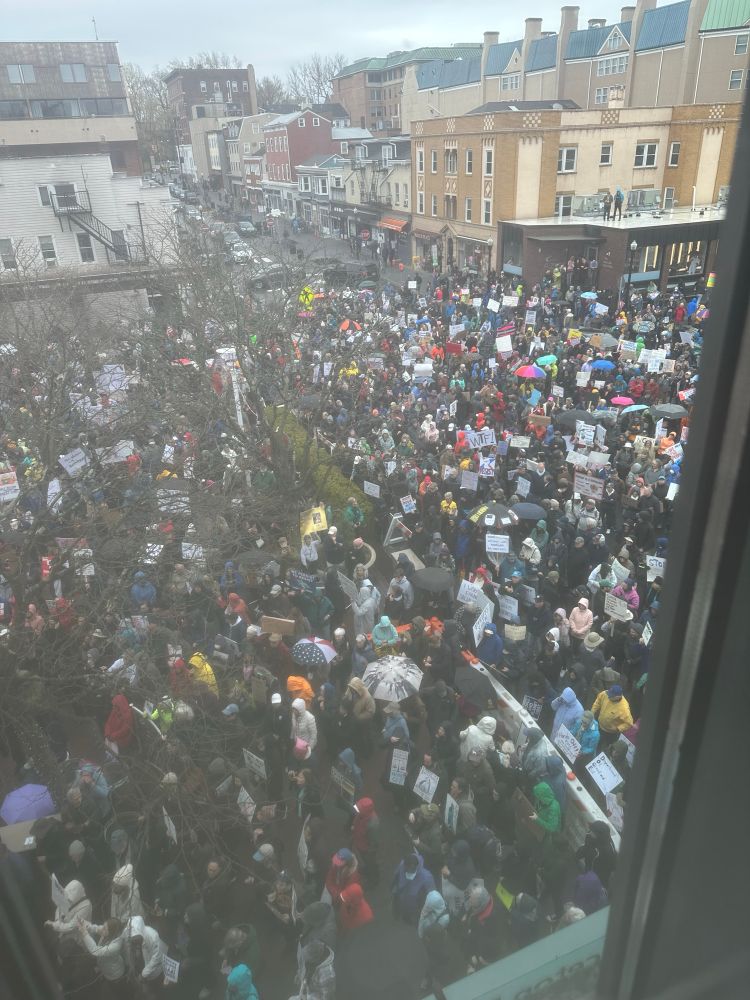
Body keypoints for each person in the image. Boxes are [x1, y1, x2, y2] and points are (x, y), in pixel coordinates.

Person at [462, 885, 503, 973]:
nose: (471, 905)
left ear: (481, 905)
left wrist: (478, 957)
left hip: (486, 956)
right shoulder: (483, 904)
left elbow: (486, 941)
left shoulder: (491, 921)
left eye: (473, 905)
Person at [418, 889, 450, 992]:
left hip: (435, 942)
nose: (426, 906)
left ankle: (431, 979)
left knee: (433, 960)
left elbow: (431, 933)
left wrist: (423, 918)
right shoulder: (433, 907)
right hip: (431, 938)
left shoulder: (444, 918)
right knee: (437, 959)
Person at [391, 852, 435, 924]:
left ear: (416, 867)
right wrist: (394, 887)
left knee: (419, 902)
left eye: (412, 870)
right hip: (405, 891)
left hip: (418, 894)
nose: (409, 872)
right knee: (404, 901)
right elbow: (397, 875)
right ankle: (406, 917)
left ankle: (419, 919)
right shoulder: (402, 865)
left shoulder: (426, 876)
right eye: (407, 870)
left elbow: (431, 891)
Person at [351, 797, 380, 887]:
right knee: (366, 861)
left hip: (367, 849)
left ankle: (373, 880)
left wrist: (370, 853)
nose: (356, 810)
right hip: (361, 844)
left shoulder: (373, 824)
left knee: (371, 863)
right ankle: (367, 869)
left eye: (359, 809)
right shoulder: (362, 814)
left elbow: (374, 842)